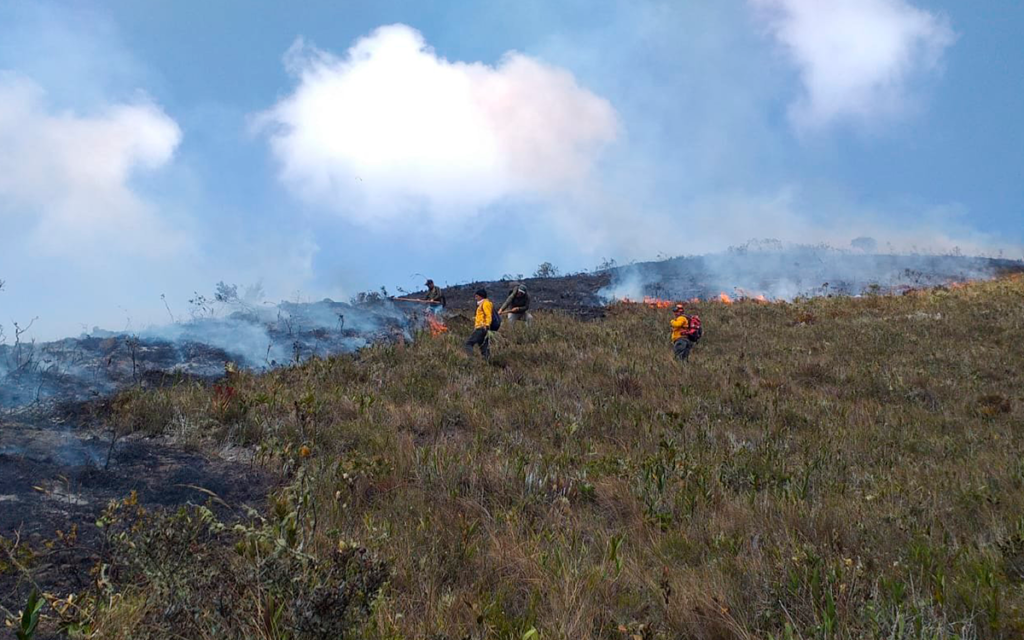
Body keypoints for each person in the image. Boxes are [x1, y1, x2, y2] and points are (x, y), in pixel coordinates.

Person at [465, 288, 493, 359]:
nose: (475, 297)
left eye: (477, 296)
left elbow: (488, 315)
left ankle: (471, 360)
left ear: (481, 296)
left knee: (468, 343)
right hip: (482, 328)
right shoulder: (482, 304)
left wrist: (486, 325)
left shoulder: (485, 303)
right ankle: (487, 363)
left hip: (481, 328)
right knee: (483, 347)